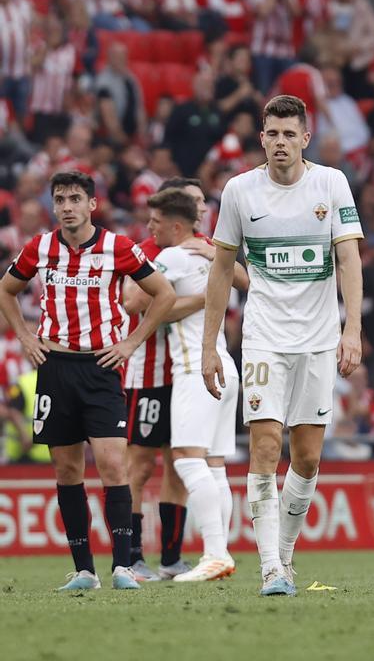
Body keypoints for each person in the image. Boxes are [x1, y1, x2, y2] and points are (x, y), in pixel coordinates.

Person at [202, 95, 364, 597]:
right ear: (261, 138)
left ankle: (285, 555)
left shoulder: (331, 183)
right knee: (266, 447)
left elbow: (349, 259)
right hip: (265, 338)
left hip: (317, 339)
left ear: (305, 138)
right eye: (272, 134)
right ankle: (270, 566)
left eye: (289, 134)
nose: (280, 143)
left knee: (308, 456)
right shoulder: (239, 192)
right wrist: (210, 346)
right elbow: (222, 269)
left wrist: (351, 328)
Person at [0, 170, 176, 591]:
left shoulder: (118, 247)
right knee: (66, 469)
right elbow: (5, 290)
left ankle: (122, 567)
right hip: (56, 368)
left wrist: (131, 342)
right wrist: (25, 337)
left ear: (92, 205)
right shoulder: (39, 248)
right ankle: (83, 571)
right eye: (59, 199)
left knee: (114, 465)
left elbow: (164, 294)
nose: (66, 207)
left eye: (75, 199)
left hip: (101, 367)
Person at [132, 188, 246, 582]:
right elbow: (242, 283)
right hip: (226, 366)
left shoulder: (172, 256)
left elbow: (139, 303)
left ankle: (215, 553)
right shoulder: (213, 251)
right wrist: (207, 295)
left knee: (185, 458)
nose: (150, 228)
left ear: (175, 225)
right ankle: (221, 553)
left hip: (195, 368)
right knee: (214, 465)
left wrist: (189, 301)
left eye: (156, 222)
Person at [121, 176, 214, 583]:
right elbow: (134, 301)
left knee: (180, 465)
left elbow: (243, 281)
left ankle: (172, 559)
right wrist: (201, 296)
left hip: (186, 371)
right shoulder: (145, 252)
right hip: (148, 370)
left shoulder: (207, 248)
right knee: (139, 465)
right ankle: (131, 555)